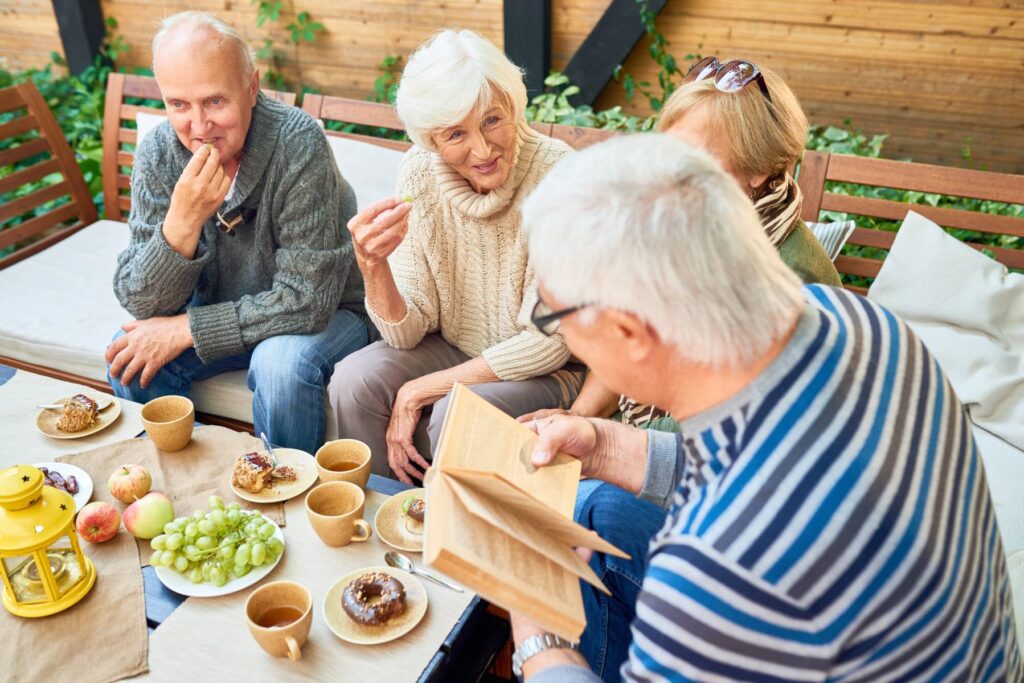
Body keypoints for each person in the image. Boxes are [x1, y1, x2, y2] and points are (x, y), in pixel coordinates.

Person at [507, 135, 1021, 682]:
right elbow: (763, 462)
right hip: (944, 648)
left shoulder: (713, 572)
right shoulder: (859, 323)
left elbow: (750, 518)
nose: (555, 326)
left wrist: (539, 632)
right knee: (593, 509)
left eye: (554, 314)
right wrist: (605, 444)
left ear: (630, 331)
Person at [521, 57, 841, 433]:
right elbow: (630, 345)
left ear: (759, 169)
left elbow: (724, 421)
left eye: (692, 159)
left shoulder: (790, 280)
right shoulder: (687, 224)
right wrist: (579, 416)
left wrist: (599, 439)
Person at [107, 12, 369, 454]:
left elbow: (307, 300)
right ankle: (183, 488)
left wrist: (188, 328)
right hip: (231, 316)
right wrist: (182, 223)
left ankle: (283, 498)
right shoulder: (158, 151)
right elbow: (140, 300)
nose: (198, 126)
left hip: (328, 314)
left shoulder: (298, 144)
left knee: (279, 364)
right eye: (179, 105)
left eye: (214, 102)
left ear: (251, 87)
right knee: (128, 356)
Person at [328, 29, 582, 484]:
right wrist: (372, 267)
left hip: (548, 368)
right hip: (457, 347)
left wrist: (420, 390)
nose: (483, 150)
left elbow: (551, 340)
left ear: (513, 104)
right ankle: (384, 521)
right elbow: (405, 334)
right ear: (430, 138)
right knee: (354, 381)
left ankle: (449, 543)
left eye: (492, 120)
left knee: (456, 411)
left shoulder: (559, 175)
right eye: (456, 134)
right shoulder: (419, 172)